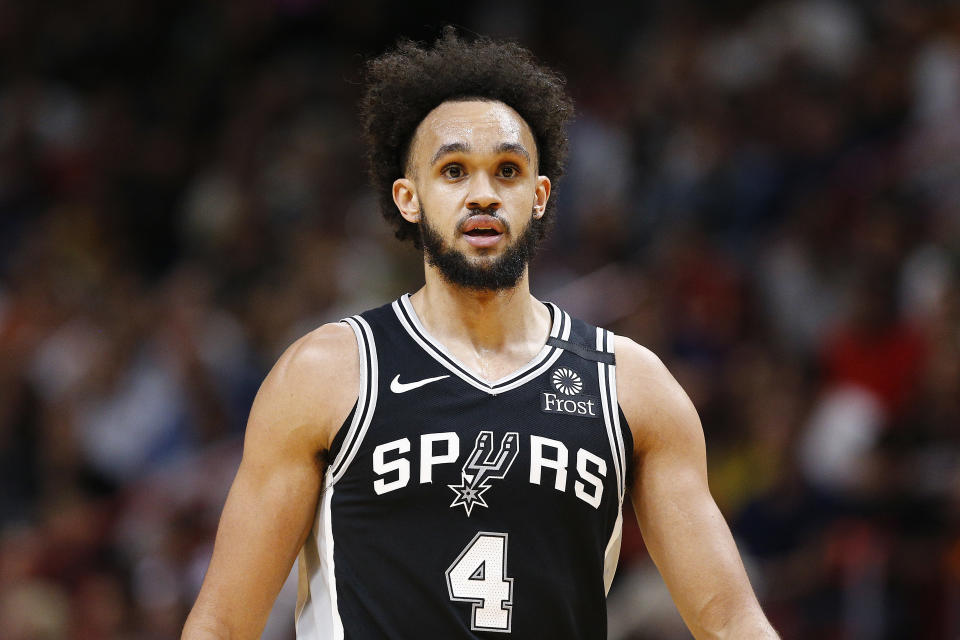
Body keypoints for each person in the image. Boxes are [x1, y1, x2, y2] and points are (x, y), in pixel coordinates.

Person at [182, 29, 779, 640]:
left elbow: (731, 620)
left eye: (508, 170)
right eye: (454, 170)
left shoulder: (629, 385)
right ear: (408, 198)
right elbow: (224, 622)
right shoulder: (329, 372)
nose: (484, 194)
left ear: (539, 196)